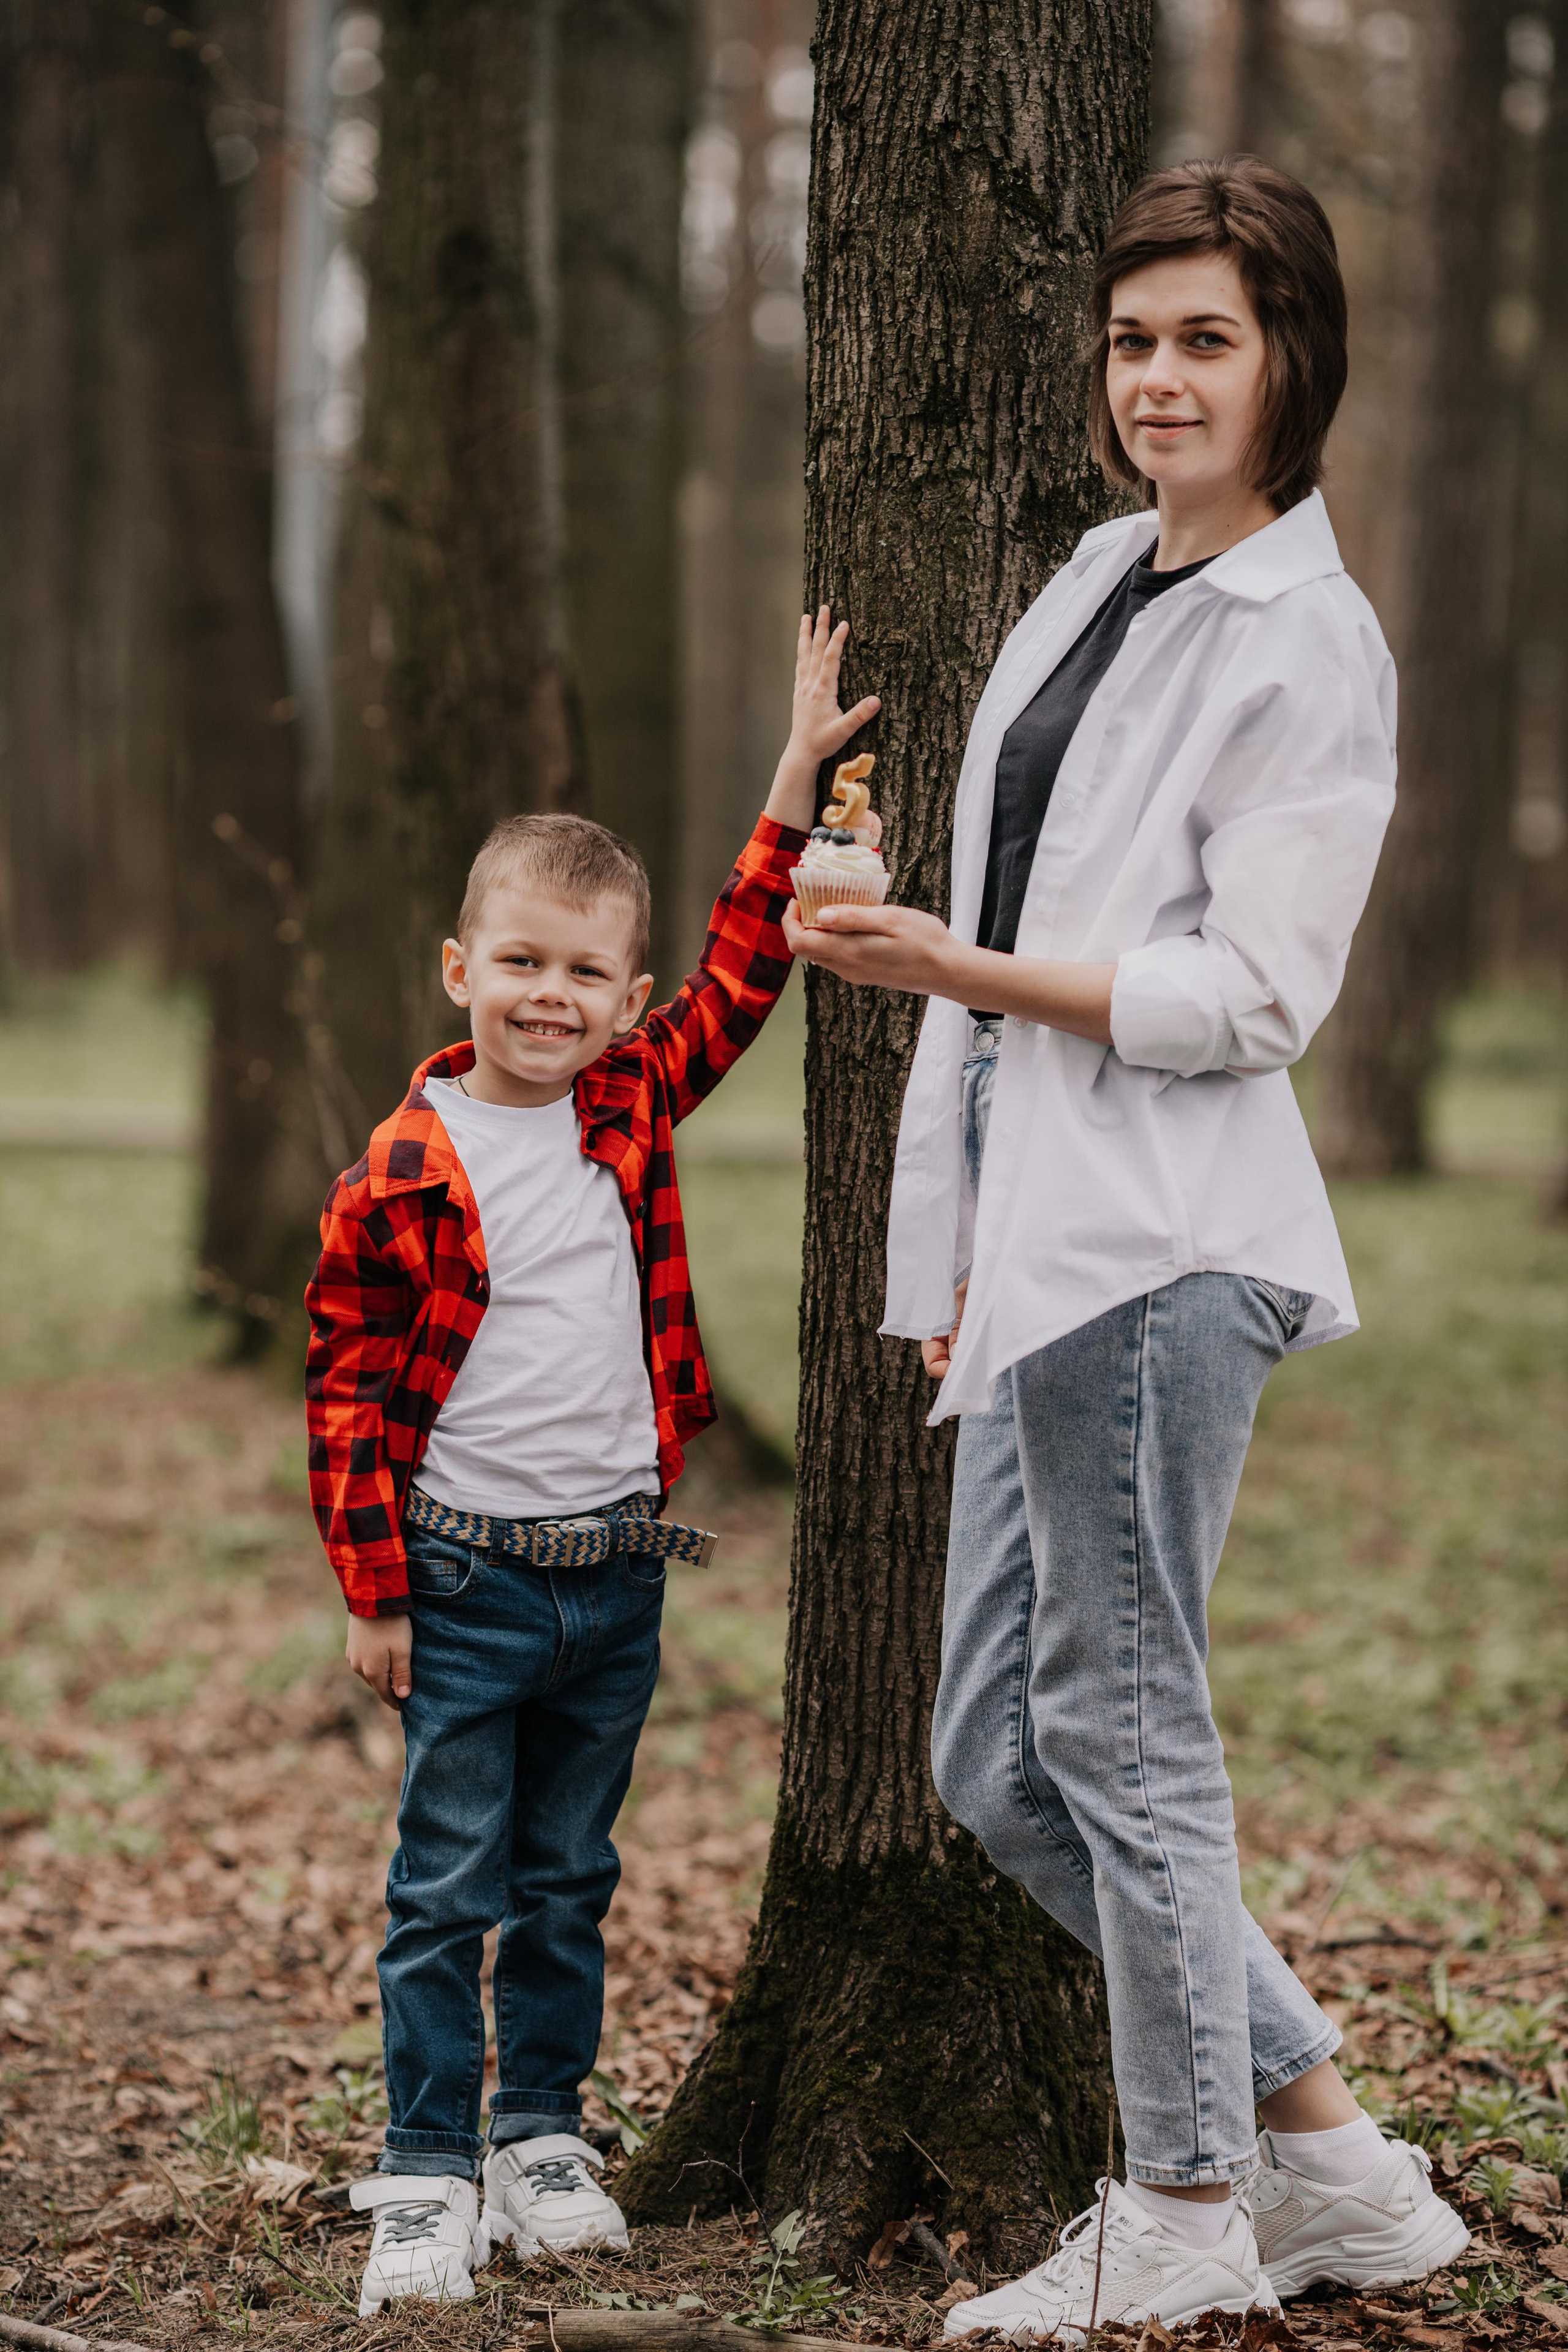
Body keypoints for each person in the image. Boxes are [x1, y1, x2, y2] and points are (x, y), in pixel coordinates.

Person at [784, 157, 1470, 2340]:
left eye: (1208, 339)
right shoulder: (1098, 574)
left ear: (1295, 366)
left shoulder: (1313, 644)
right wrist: (968, 1216)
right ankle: (1340, 2167)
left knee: (1126, 1726)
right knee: (999, 1756)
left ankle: (1181, 2207)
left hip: (1173, 1252)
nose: (1159, 379)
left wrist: (953, 968)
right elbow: (1035, 904)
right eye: (1133, 340)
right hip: (1047, 1253)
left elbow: (1248, 999)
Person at [305, 616, 879, 2316]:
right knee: (442, 1888)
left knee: (569, 1878)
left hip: (615, 1573)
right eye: (521, 963)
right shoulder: (397, 1174)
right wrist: (374, 1594)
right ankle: (424, 2166)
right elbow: (342, 1392)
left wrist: (792, 783)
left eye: (584, 976)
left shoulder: (628, 1102)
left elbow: (748, 966)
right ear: (456, 968)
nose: (549, 1000)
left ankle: (540, 2132)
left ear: (626, 1002)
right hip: (465, 1578)